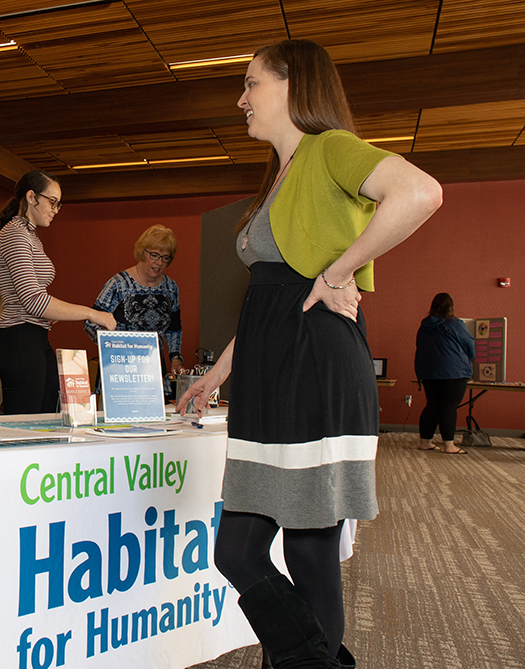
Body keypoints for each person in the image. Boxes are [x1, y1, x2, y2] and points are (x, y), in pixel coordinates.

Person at [176, 39, 442, 669]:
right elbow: (272, 295)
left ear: (294, 86)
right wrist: (217, 371)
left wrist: (342, 270)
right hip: (270, 367)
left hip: (314, 366)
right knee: (238, 550)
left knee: (309, 550)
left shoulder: (329, 148)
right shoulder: (282, 174)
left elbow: (421, 192)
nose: (241, 98)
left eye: (251, 84)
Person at [0, 170, 116, 415]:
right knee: (27, 424)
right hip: (18, 335)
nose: (56, 209)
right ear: (31, 197)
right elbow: (34, 301)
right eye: (52, 201)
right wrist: (92, 313)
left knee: (45, 415)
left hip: (32, 335)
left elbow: (32, 300)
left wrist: (51, 313)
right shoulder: (16, 234)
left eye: (59, 204)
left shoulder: (29, 235)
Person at [84, 224, 183, 396]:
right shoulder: (119, 284)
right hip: (120, 372)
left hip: (153, 372)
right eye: (154, 255)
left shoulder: (170, 287)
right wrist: (115, 346)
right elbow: (90, 323)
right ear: (142, 252)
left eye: (165, 258)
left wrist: (175, 358)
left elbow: (174, 328)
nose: (159, 262)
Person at [414, 293, 474, 455]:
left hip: (428, 371)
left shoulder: (424, 326)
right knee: (449, 406)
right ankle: (449, 445)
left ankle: (425, 442)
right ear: (451, 307)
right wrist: (470, 359)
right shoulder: (454, 324)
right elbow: (469, 343)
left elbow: (418, 345)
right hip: (454, 372)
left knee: (432, 404)